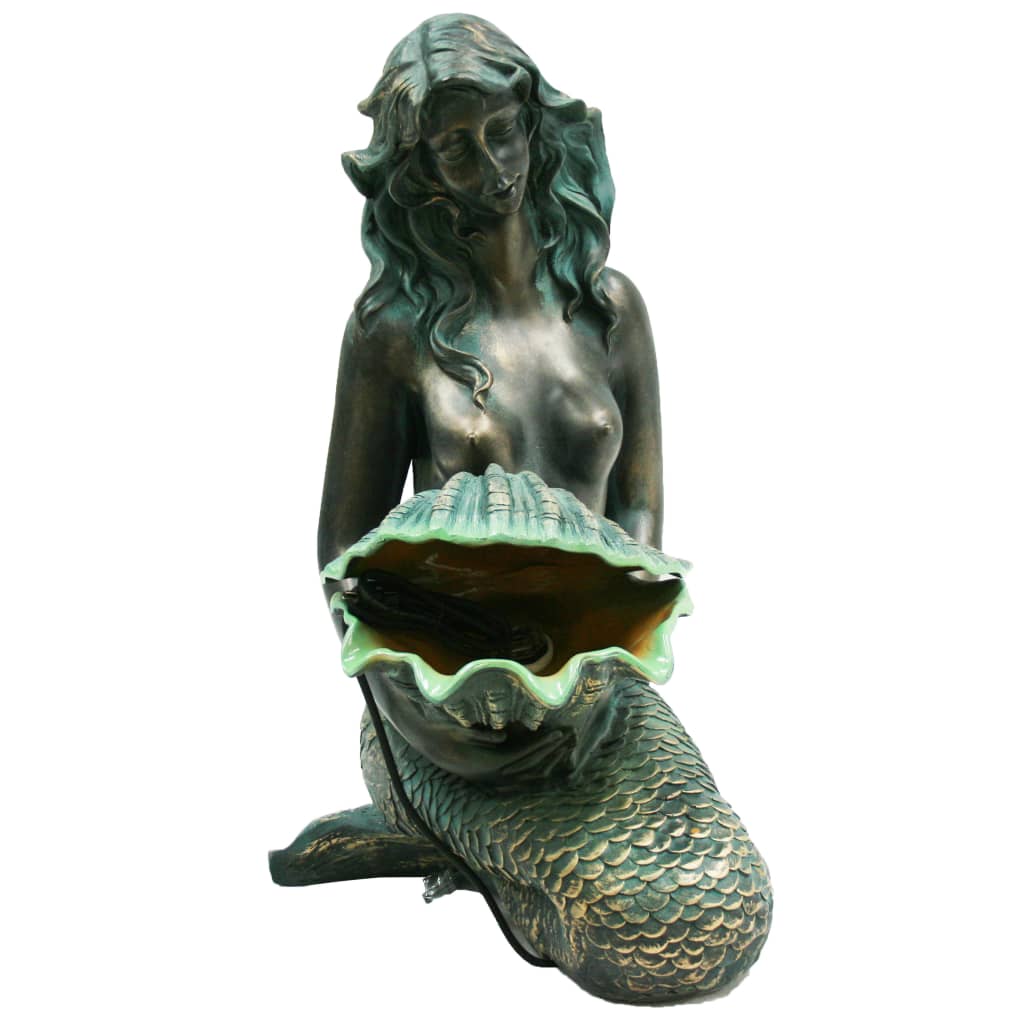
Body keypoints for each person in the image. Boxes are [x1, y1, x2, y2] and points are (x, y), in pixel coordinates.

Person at [318, 14, 664, 595]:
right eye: (456, 149)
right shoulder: (393, 332)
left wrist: (630, 626)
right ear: (423, 167)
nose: (493, 167)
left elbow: (640, 507)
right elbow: (345, 551)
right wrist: (395, 654)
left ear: (529, 121)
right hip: (451, 645)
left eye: (501, 129)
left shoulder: (610, 309)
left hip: (598, 640)